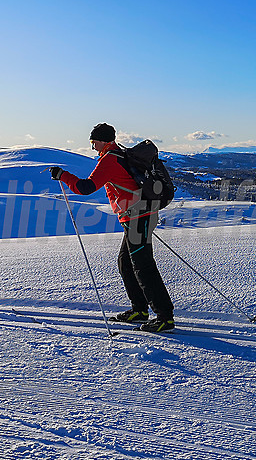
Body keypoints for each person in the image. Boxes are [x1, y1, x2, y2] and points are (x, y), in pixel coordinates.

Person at [49, 123, 175, 332]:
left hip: (138, 217)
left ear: (104, 140)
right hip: (138, 216)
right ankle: (140, 309)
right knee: (126, 263)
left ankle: (165, 317)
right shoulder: (119, 155)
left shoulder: (110, 160)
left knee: (143, 266)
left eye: (93, 142)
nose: (92, 147)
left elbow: (85, 187)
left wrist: (63, 175)